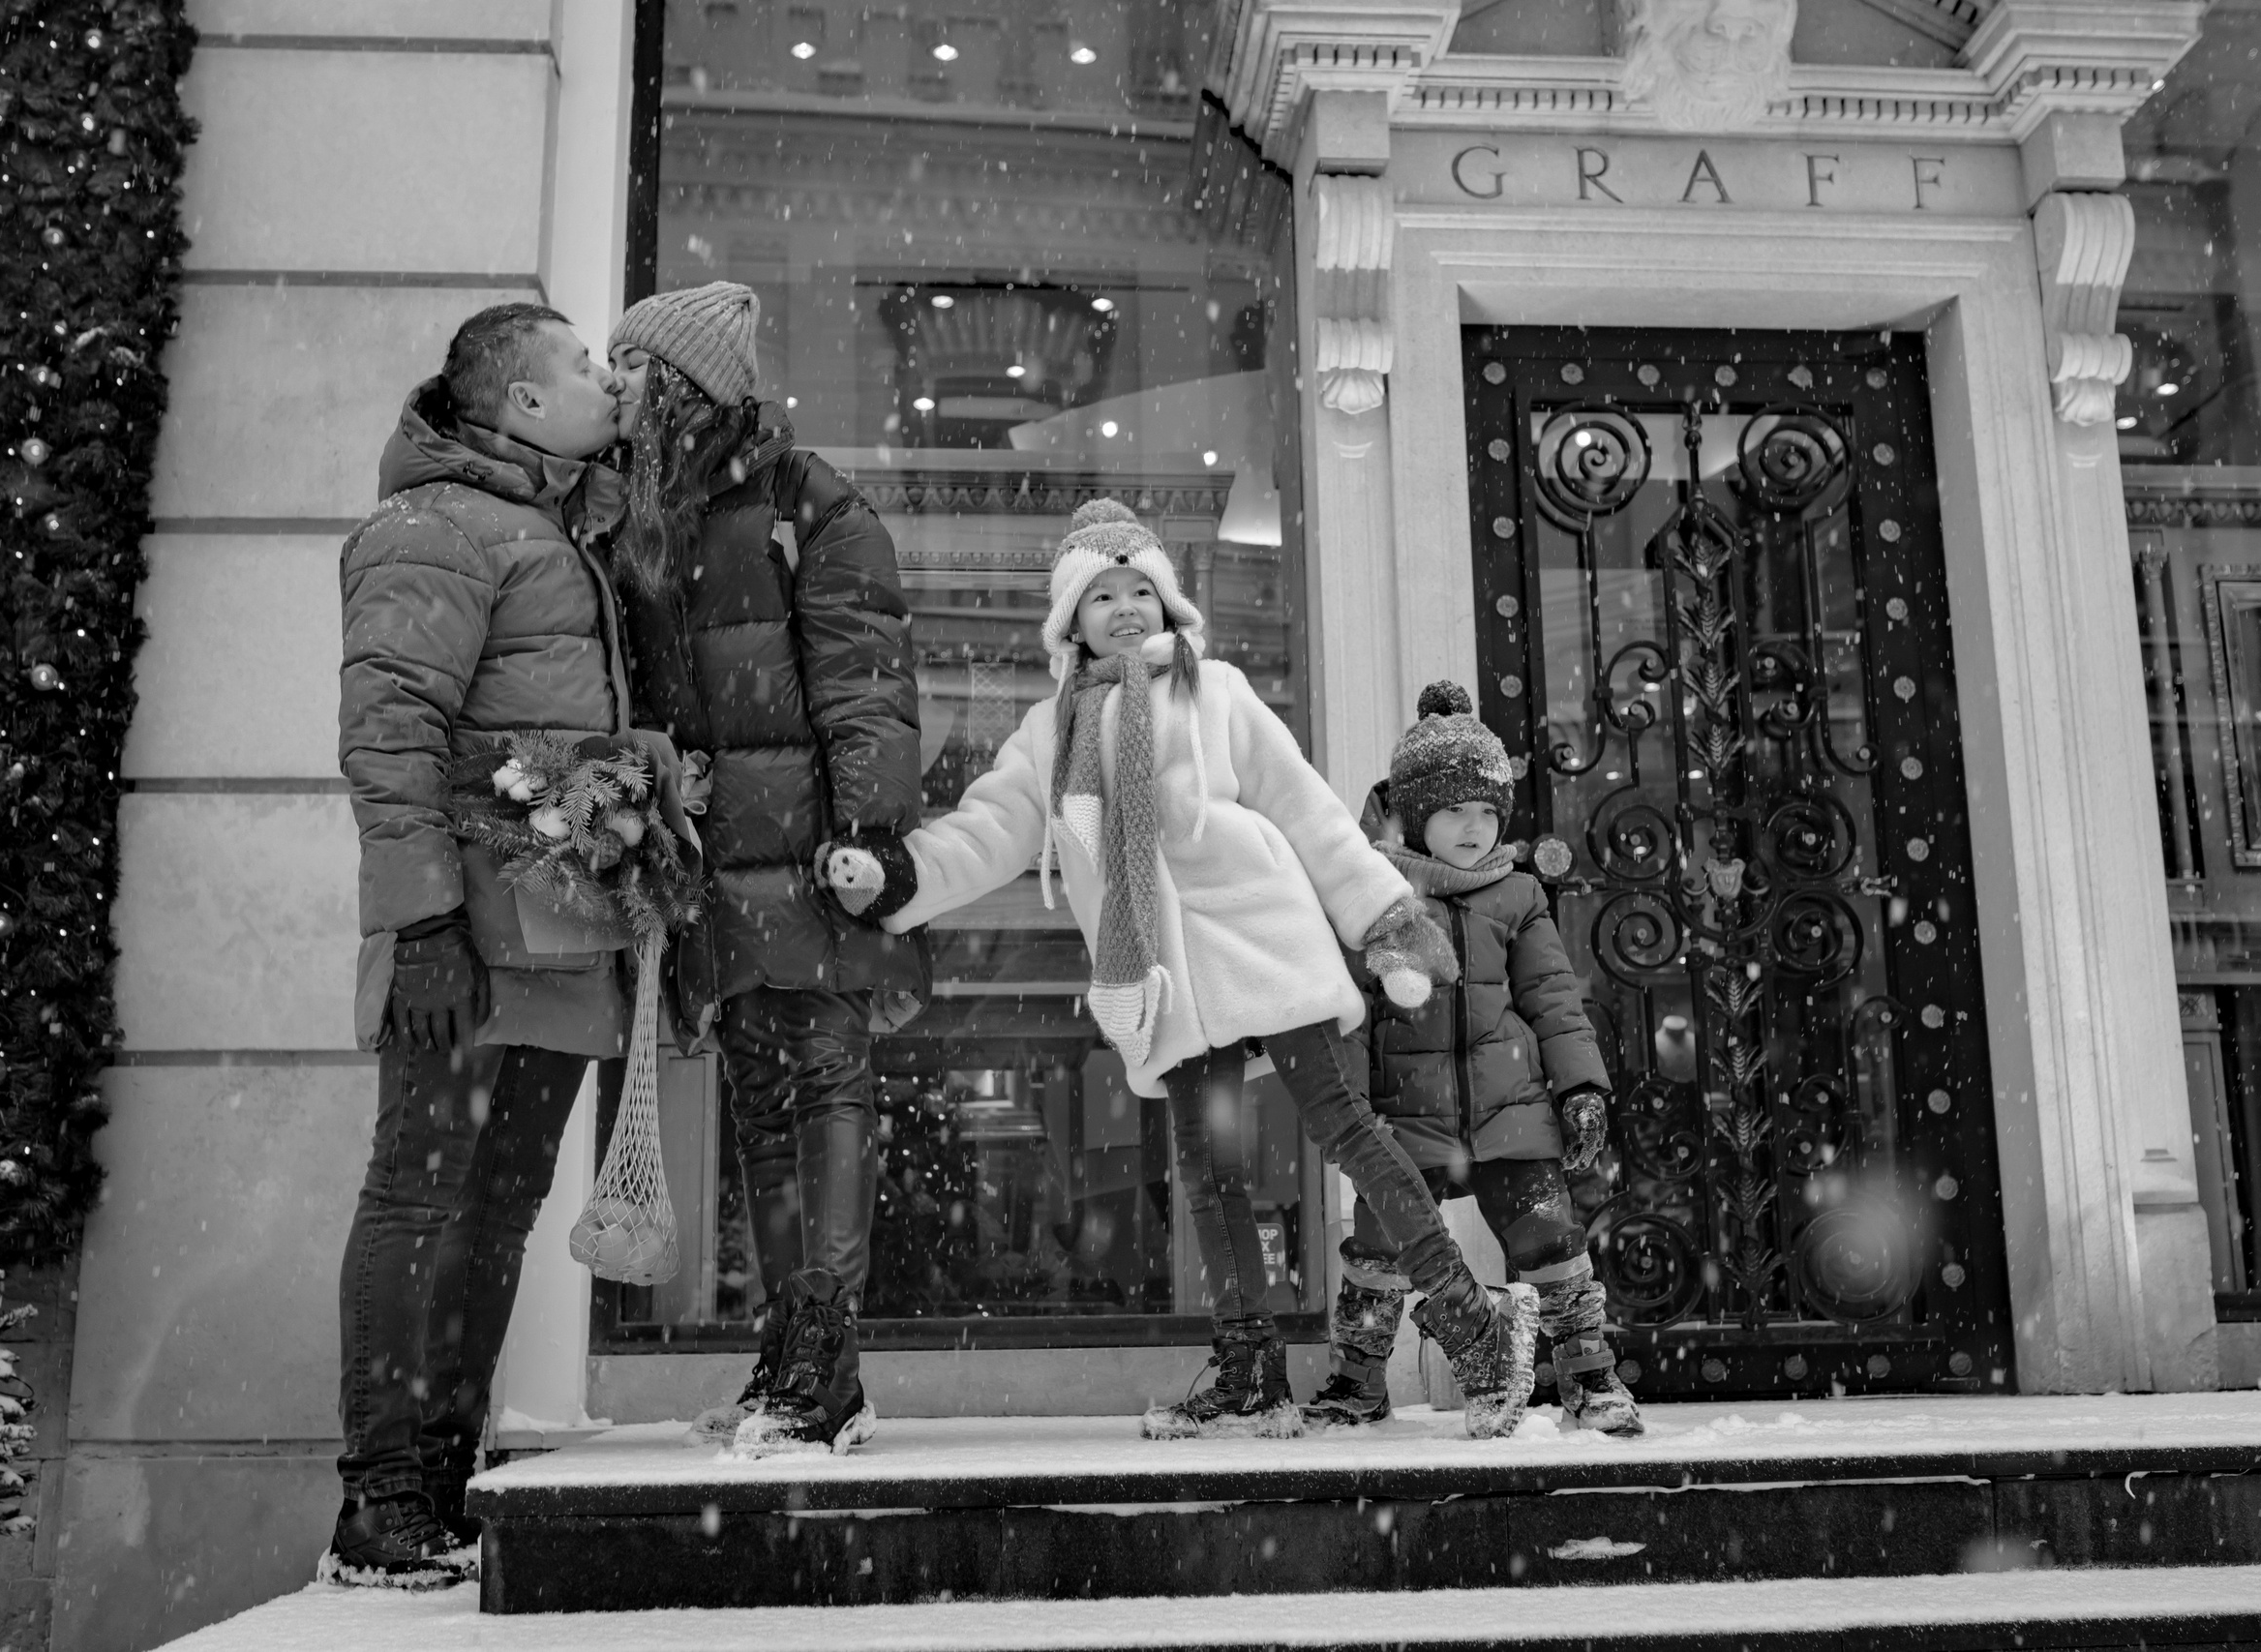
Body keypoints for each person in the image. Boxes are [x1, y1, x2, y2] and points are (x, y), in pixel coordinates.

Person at [821, 500, 1543, 1440]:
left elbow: (1308, 810)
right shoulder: (1051, 732)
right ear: (1069, 619)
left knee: (1347, 1132)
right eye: (1102, 594)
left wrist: (1385, 919)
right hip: (1163, 972)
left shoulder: (1218, 693)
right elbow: (992, 830)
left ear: (1166, 602)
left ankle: (1477, 1329)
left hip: (1261, 942)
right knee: (1208, 1167)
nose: (1125, 608)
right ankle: (1248, 1368)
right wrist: (898, 878)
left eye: (1140, 591)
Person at [330, 304, 634, 1584]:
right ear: (516, 403)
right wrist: (421, 923)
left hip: (559, 928)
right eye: (580, 364)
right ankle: (382, 1499)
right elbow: (389, 730)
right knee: (420, 1188)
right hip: (463, 930)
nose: (605, 376)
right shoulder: (434, 529)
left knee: (500, 1205)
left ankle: (444, 1479)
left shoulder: (565, 524)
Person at [601, 283, 929, 1457]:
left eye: (633, 368)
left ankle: (827, 1360)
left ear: (684, 386)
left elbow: (866, 686)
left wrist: (871, 839)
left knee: (827, 1085)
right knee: (757, 1107)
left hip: (810, 856)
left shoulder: (807, 500)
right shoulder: (638, 512)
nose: (614, 385)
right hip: (709, 863)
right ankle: (785, 1345)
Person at [1304, 682, 1643, 1436]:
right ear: (1419, 813)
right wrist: (1353, 1111)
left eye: (1488, 811)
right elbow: (1352, 1012)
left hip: (1511, 1109)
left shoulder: (1517, 892)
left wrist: (1582, 1085)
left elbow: (1554, 995)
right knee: (1381, 1248)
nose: (1475, 826)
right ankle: (1357, 1379)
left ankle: (1590, 1375)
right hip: (1405, 1116)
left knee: (1551, 1237)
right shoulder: (1379, 893)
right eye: (1456, 810)